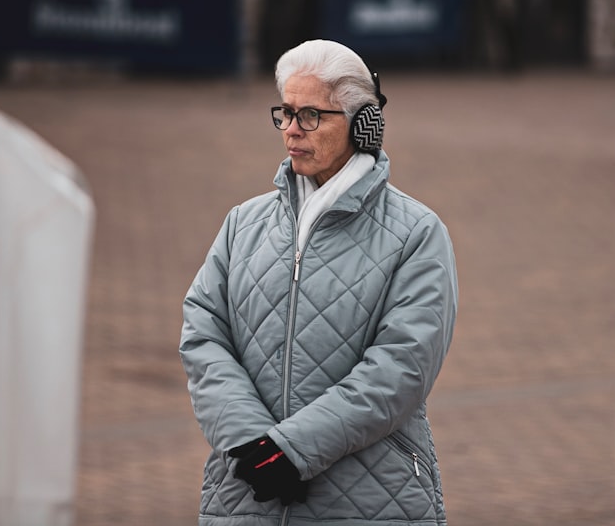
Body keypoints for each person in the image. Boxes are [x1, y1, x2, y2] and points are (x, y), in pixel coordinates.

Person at [180, 39, 459, 525]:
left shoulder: (417, 233)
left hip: (372, 502)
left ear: (362, 125)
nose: (291, 130)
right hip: (247, 494)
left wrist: (292, 450)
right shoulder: (242, 223)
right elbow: (203, 335)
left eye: (310, 115)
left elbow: (402, 368)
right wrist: (253, 445)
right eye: (285, 113)